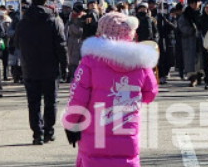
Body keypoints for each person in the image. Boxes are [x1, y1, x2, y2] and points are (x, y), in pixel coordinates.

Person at [62, 12, 159, 166]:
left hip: (95, 134)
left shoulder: (90, 60)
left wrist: (71, 123)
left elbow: (77, 98)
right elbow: (150, 94)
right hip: (126, 131)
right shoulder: (141, 62)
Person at [17, 0, 68, 145]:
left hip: (30, 67)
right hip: (50, 68)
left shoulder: (23, 21)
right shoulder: (53, 20)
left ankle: (37, 133)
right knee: (51, 101)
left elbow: (16, 42)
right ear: (46, 3)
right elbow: (61, 45)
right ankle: (48, 131)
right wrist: (64, 65)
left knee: (33, 103)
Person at [178, 0, 203, 87]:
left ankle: (200, 76)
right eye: (192, 3)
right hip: (189, 39)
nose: (195, 5)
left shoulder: (202, 13)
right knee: (190, 60)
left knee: (201, 59)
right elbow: (181, 26)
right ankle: (192, 78)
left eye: (196, 2)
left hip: (201, 39)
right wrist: (191, 30)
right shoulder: (185, 15)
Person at [156, 4, 180, 84]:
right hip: (162, 39)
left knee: (171, 58)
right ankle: (162, 75)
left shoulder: (173, 19)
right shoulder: (159, 17)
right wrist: (160, 20)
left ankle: (166, 72)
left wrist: (167, 22)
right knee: (162, 57)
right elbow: (158, 28)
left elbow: (174, 27)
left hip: (170, 40)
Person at [66, 3, 86, 83]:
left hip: (78, 41)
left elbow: (80, 31)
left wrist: (72, 25)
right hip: (71, 41)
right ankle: (71, 76)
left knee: (76, 61)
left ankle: (76, 77)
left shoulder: (83, 18)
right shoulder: (71, 18)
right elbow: (65, 30)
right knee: (70, 60)